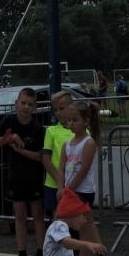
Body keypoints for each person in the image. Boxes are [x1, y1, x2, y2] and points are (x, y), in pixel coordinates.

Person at [0, 87, 46, 256]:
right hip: (15, 175)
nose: (26, 107)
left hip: (34, 176)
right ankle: (21, 254)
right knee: (19, 215)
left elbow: (40, 157)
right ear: (16, 103)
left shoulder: (38, 128)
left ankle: (41, 253)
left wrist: (20, 150)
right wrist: (10, 138)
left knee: (37, 215)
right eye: (23, 103)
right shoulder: (9, 121)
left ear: (35, 107)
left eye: (30, 104)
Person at [58, 99, 102, 245]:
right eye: (69, 120)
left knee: (86, 225)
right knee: (79, 225)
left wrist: (68, 189)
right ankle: (94, 252)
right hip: (70, 190)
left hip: (83, 191)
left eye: (75, 120)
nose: (71, 123)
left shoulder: (88, 143)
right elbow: (61, 168)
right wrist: (60, 188)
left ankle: (96, 252)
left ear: (86, 121)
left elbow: (84, 169)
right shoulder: (66, 144)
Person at [42, 90, 76, 220]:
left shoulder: (83, 131)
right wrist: (60, 181)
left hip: (76, 184)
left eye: (61, 109)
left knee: (76, 219)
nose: (58, 113)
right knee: (58, 220)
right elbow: (46, 159)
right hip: (54, 184)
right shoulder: (51, 131)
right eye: (55, 110)